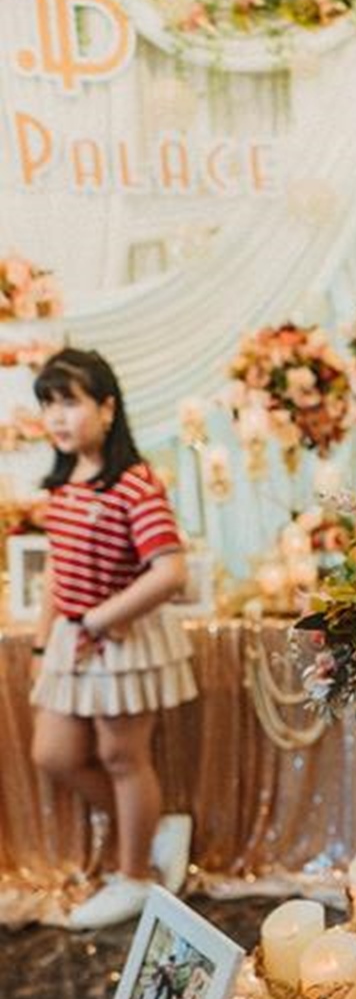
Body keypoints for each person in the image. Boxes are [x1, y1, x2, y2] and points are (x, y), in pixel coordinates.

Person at [30, 348, 194, 930]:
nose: (57, 416)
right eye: (48, 403)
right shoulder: (63, 483)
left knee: (122, 756)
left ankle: (135, 878)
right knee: (53, 754)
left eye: (70, 402)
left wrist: (100, 619)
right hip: (73, 639)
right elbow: (57, 568)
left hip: (122, 641)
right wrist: (43, 643)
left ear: (107, 407)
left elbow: (171, 571)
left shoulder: (133, 483)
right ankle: (156, 828)